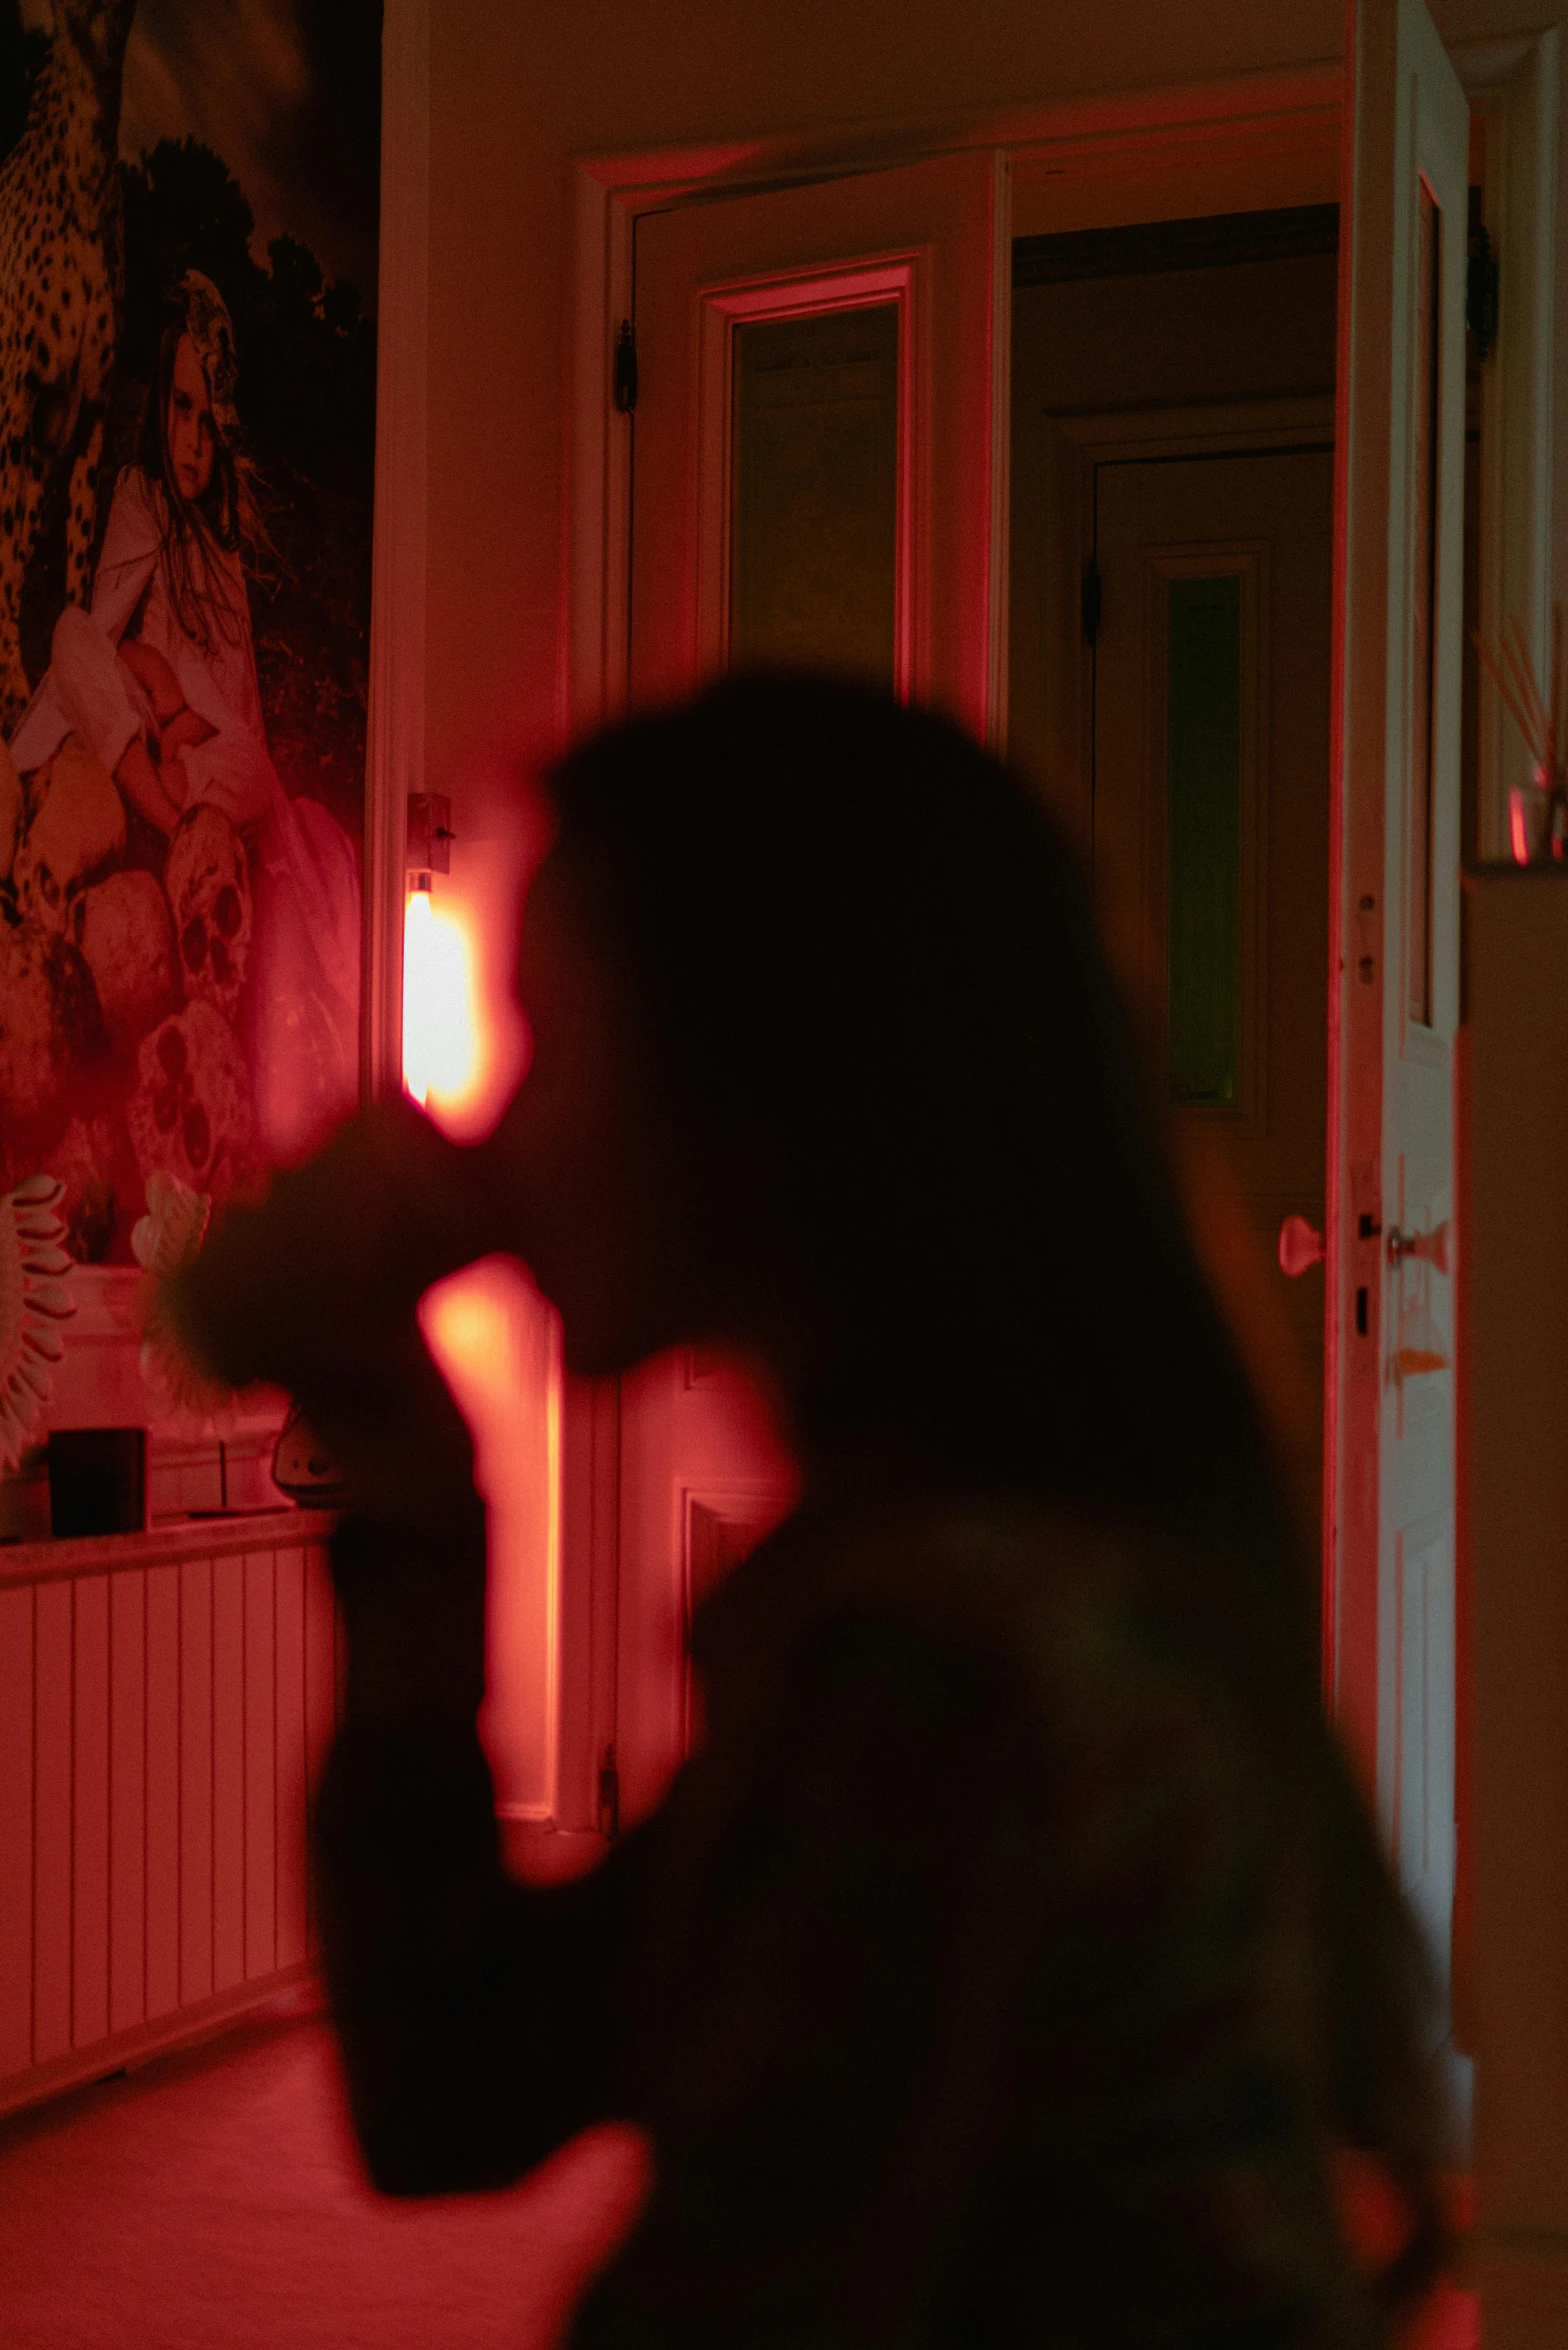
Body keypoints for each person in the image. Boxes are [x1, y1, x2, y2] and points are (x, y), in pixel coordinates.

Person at [169, 675, 1450, 2347]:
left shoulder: (951, 1671)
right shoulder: (958, 1601)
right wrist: (408, 1483)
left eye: (543, 1046)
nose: (489, 1139)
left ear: (755, 1103)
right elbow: (453, 2088)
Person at [8, 269, 359, 1162]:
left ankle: (185, 831)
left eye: (208, 419)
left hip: (200, 757)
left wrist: (189, 722)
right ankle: (169, 828)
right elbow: (110, 628)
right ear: (158, 407)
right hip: (143, 749)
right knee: (72, 636)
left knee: (257, 770)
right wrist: (152, 684)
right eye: (179, 409)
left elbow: (236, 717)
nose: (192, 441)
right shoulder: (137, 495)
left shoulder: (225, 558)